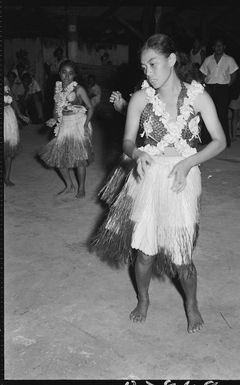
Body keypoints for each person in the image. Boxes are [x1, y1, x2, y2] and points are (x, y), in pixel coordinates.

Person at [93, 34, 226, 333]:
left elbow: (220, 141)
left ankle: (191, 305)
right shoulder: (140, 98)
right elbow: (128, 141)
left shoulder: (199, 96)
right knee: (145, 252)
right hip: (149, 174)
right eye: (144, 67)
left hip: (183, 175)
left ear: (172, 60)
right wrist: (137, 152)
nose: (148, 72)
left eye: (153, 64)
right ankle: (143, 299)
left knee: (182, 257)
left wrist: (188, 162)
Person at [39, 60, 94, 198]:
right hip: (64, 123)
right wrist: (54, 119)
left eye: (70, 73)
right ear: (59, 73)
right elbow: (56, 109)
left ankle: (81, 188)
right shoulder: (57, 88)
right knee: (60, 158)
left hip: (78, 122)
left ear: (74, 75)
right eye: (64, 73)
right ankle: (69, 186)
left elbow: (91, 107)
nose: (67, 76)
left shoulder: (78, 89)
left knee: (79, 159)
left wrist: (86, 124)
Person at [200, 38, 238, 147]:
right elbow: (203, 74)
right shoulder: (208, 59)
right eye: (216, 46)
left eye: (220, 45)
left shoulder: (229, 59)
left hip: (223, 89)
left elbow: (234, 76)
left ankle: (224, 141)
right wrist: (206, 85)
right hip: (210, 88)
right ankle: (206, 139)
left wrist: (225, 86)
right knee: (208, 113)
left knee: (222, 115)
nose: (218, 47)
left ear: (224, 47)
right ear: (213, 47)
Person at [4, 77, 29, 186]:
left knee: (9, 149)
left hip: (9, 118)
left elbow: (13, 100)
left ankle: (7, 178)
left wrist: (20, 115)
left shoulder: (6, 84)